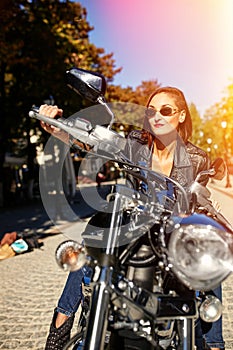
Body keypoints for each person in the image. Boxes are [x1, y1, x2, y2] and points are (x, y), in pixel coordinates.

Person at [39, 86, 224, 350]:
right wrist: (58, 129)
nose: (157, 116)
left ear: (181, 116)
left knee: (209, 260)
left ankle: (214, 344)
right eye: (151, 111)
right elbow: (92, 141)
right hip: (132, 231)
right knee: (94, 239)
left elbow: (203, 195)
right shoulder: (135, 143)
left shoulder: (197, 158)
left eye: (166, 110)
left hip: (169, 238)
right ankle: (61, 324)